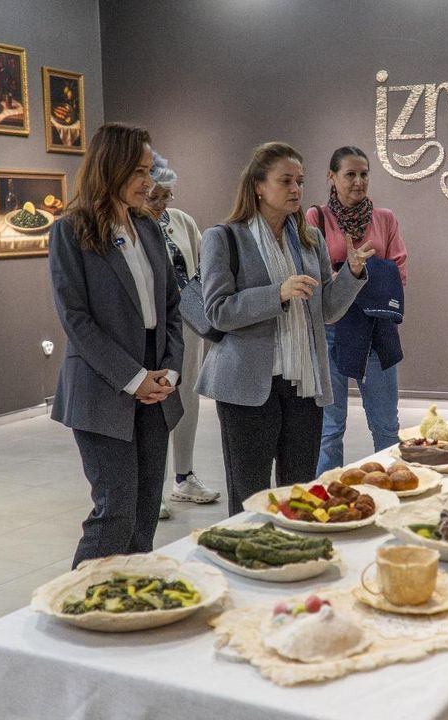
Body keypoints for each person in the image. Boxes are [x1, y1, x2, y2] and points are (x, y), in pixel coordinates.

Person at [196, 142, 372, 516]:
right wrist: (277, 293)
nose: (296, 189)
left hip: (302, 385)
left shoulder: (310, 239)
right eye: (285, 181)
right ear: (258, 186)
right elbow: (217, 312)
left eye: (300, 181)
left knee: (299, 493)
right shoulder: (224, 237)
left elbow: (327, 311)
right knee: (250, 497)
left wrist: (353, 273)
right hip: (247, 387)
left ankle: (295, 549)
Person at [49, 123, 183, 566]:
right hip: (104, 387)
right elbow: (76, 319)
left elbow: (171, 305)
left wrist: (170, 369)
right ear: (111, 168)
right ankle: (77, 602)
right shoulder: (71, 231)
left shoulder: (147, 228)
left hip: (156, 384)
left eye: (149, 171)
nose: (148, 182)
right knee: (115, 512)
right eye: (139, 172)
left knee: (144, 515)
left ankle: (132, 599)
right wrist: (133, 378)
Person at [307, 147, 407, 476]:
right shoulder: (316, 219)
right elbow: (314, 277)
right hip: (331, 328)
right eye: (350, 174)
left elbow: (398, 273)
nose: (358, 181)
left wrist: (353, 276)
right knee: (329, 428)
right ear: (331, 177)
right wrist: (354, 276)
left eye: (364, 174)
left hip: (376, 330)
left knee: (386, 425)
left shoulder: (385, 219)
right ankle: (326, 493)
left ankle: (394, 487)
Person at [145, 156, 221, 519]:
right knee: (154, 404)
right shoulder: (129, 228)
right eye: (155, 196)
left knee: (187, 397)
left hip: (188, 324)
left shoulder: (182, 222)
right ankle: (152, 488)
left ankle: (184, 476)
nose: (162, 203)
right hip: (150, 330)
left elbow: (203, 268)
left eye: (167, 196)